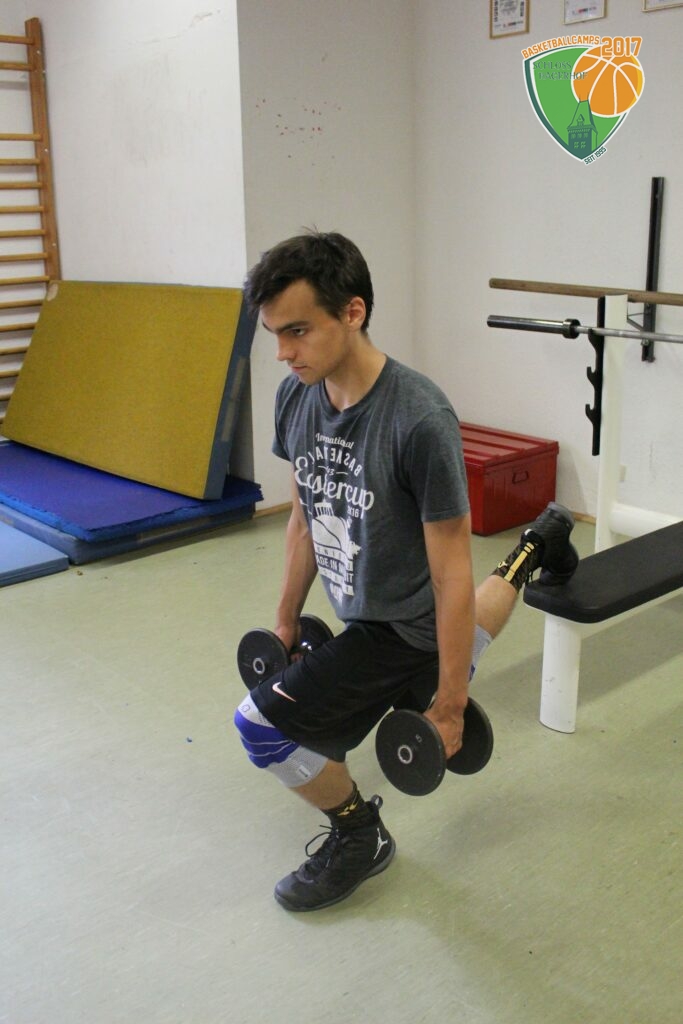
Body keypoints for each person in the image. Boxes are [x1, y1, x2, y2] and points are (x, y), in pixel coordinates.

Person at [234, 231, 578, 912]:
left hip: (402, 628)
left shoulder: (417, 418)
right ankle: (539, 544)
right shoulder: (296, 399)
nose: (283, 353)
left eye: (297, 331)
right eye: (274, 335)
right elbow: (304, 518)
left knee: (260, 728)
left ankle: (359, 836)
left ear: (352, 311)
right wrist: (284, 623)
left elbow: (450, 572)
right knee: (471, 631)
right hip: (378, 607)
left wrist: (449, 706)